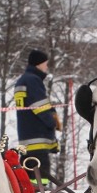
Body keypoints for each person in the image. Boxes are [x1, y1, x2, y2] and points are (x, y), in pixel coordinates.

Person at [14, 49, 60, 184]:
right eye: (45, 63)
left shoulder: (22, 80)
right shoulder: (33, 80)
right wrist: (53, 122)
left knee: (27, 174)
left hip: (26, 137)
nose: (46, 66)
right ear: (38, 64)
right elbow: (40, 107)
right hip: (37, 137)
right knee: (40, 175)